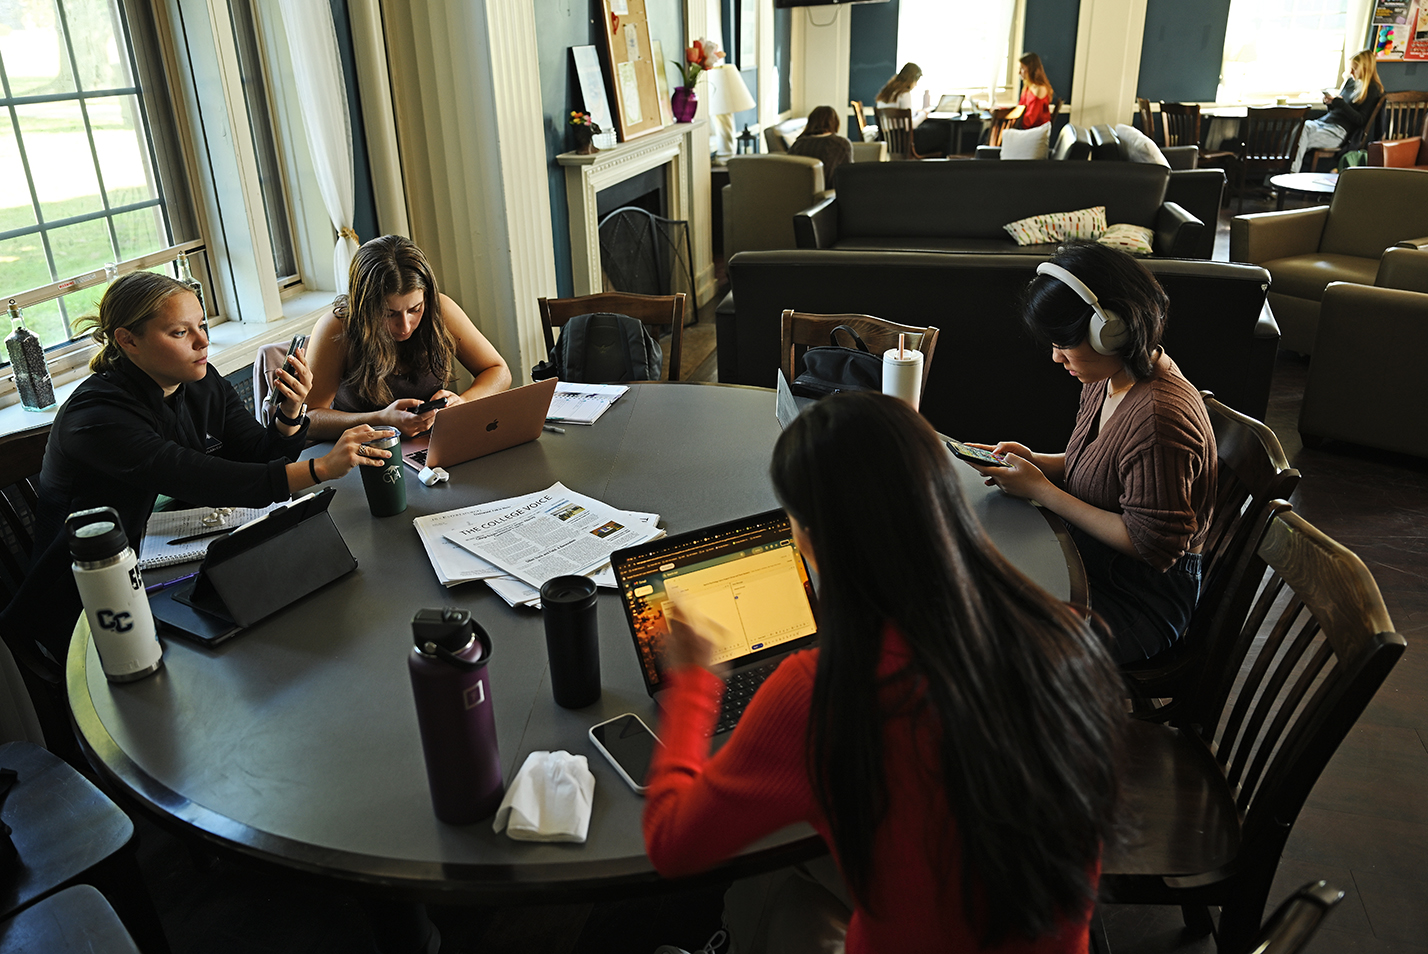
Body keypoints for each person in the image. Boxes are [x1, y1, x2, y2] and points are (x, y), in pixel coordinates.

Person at [643, 391, 1126, 954]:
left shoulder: (822, 693)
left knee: (762, 888)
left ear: (815, 542)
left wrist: (693, 685)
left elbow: (672, 845)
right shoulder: (1061, 634)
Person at [0, 271, 385, 671]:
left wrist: (289, 413)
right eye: (180, 332)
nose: (203, 342)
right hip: (88, 600)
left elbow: (258, 454)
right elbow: (206, 478)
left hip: (163, 557)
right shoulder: (97, 417)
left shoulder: (197, 379)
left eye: (201, 326)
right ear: (128, 340)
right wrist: (320, 468)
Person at [968, 243, 1216, 664]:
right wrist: (1037, 463)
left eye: (1063, 343)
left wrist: (1043, 491)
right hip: (1093, 559)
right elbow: (1105, 463)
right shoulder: (1112, 376)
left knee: (978, 635)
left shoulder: (1159, 419)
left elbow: (1152, 546)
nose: (1055, 356)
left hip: (1134, 600)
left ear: (1111, 328)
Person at [305, 234, 511, 440]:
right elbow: (310, 418)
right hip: (363, 452)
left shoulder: (439, 309)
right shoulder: (336, 328)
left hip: (431, 444)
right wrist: (380, 419)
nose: (404, 326)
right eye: (389, 313)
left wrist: (463, 402)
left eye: (415, 309)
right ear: (364, 307)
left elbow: (498, 371)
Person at [1292, 50, 1383, 172]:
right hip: (1324, 123)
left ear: (1365, 68)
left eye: (1354, 69)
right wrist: (1331, 104)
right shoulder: (1351, 82)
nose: (1351, 73)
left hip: (1339, 131)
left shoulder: (1372, 90)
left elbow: (1361, 120)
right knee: (1300, 128)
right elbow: (1339, 109)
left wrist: (1340, 103)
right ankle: (1288, 175)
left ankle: (1289, 175)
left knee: (1296, 139)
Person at [875, 61, 948, 155]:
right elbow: (909, 125)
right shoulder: (904, 93)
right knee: (943, 131)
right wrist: (923, 114)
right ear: (912, 79)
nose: (916, 85)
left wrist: (916, 112)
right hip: (903, 141)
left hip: (888, 140)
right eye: (916, 81)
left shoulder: (886, 93)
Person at [786, 105, 853, 188]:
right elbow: (848, 175)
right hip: (831, 195)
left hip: (800, 193)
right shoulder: (841, 143)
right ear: (835, 122)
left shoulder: (799, 144)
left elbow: (789, 173)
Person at [1017, 52, 1054, 129]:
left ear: (1031, 69)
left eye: (1022, 68)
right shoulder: (1028, 87)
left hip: (1036, 131)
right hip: (1028, 128)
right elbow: (1019, 109)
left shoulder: (1039, 89)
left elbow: (1029, 120)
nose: (1019, 72)